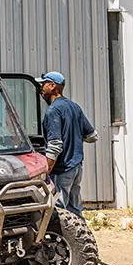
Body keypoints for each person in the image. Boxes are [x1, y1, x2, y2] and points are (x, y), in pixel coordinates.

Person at [36, 71, 98, 219]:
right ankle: (80, 241)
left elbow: (55, 145)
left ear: (52, 86)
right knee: (75, 211)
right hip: (76, 168)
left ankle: (58, 241)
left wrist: (46, 172)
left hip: (61, 170)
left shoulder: (53, 111)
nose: (41, 89)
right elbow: (92, 136)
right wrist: (73, 137)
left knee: (58, 212)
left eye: (43, 84)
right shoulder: (74, 107)